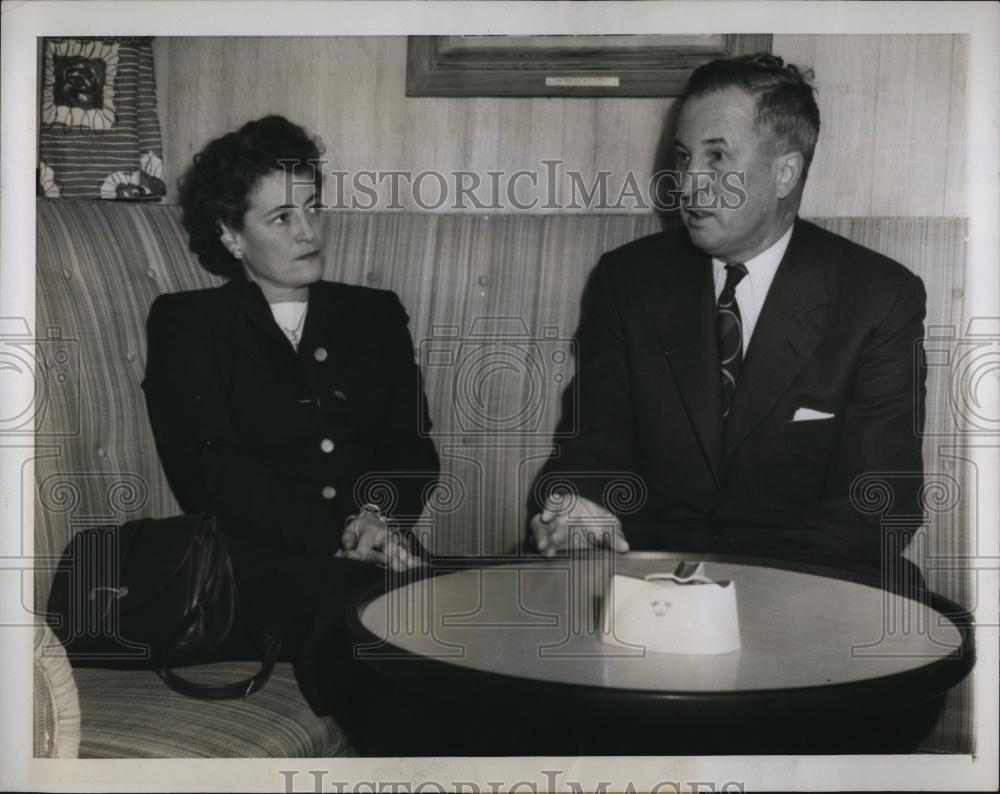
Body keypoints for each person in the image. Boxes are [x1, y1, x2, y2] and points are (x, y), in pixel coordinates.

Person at [530, 53, 927, 582]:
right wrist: (579, 503)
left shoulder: (879, 296)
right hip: (644, 577)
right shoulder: (628, 281)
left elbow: (880, 503)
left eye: (716, 158)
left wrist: (739, 595)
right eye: (683, 157)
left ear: (784, 172)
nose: (689, 184)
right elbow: (593, 442)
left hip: (807, 585)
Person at [142, 115, 440, 732]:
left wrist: (379, 518)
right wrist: (341, 530)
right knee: (368, 620)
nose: (309, 231)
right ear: (230, 235)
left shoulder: (374, 315)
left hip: (377, 547)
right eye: (281, 218)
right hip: (261, 567)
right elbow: (209, 472)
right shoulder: (188, 324)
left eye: (312, 208)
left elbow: (410, 445)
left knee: (448, 618)